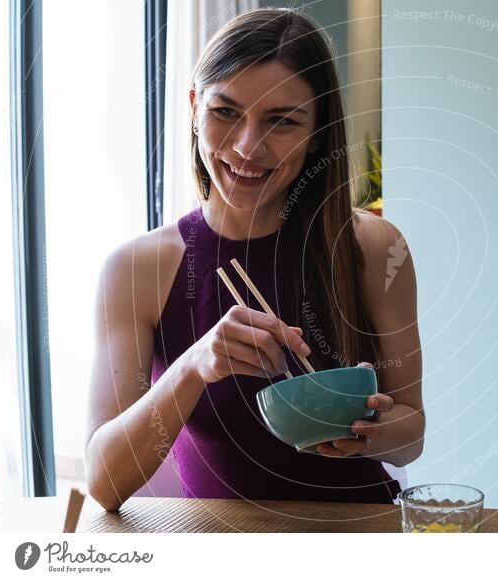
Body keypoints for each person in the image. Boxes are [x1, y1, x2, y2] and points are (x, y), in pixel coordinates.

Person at [84, 8, 424, 511]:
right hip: (222, 548)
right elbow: (104, 484)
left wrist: (370, 433)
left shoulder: (374, 247)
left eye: (282, 121)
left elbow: (412, 433)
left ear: (318, 132)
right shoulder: (137, 270)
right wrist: (194, 365)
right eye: (225, 112)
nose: (248, 147)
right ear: (195, 107)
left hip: (362, 533)